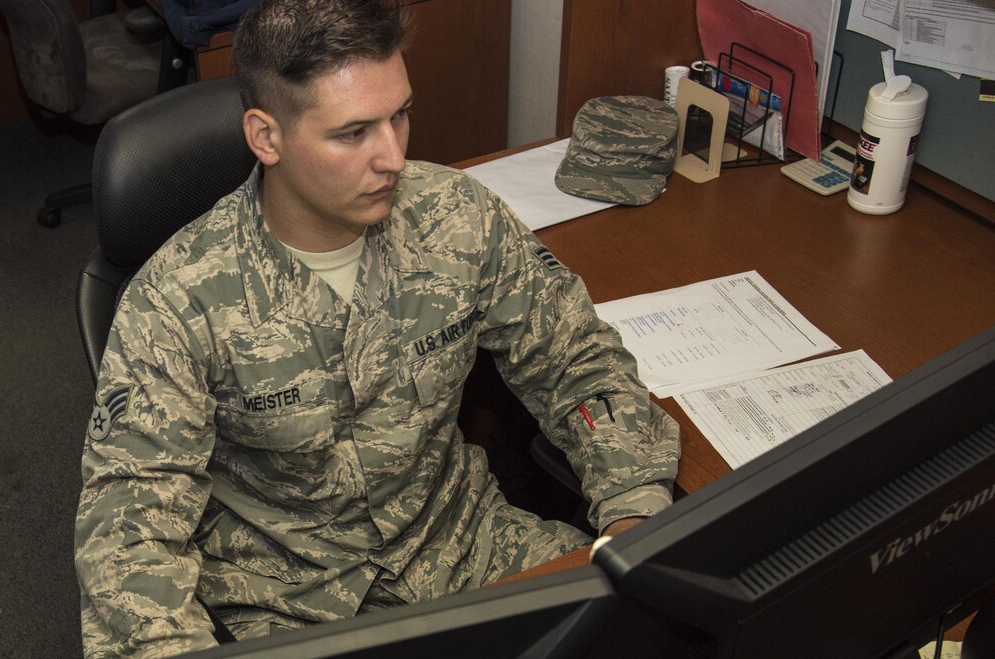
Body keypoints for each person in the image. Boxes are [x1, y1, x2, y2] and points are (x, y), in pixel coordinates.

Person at [74, 0, 680, 656]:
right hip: (286, 605)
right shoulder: (176, 300)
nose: (392, 156)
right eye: (354, 132)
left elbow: (574, 356)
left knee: (655, 627)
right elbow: (130, 537)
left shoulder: (456, 216)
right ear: (265, 136)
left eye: (401, 116)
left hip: (465, 550)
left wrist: (633, 512)